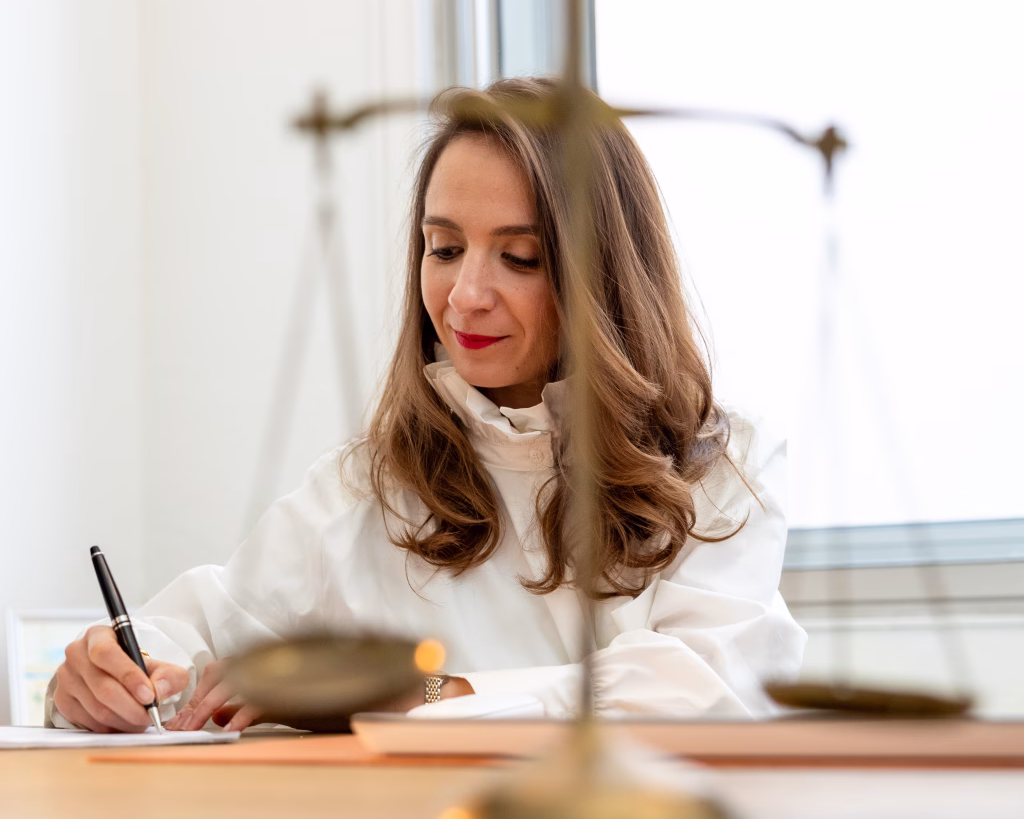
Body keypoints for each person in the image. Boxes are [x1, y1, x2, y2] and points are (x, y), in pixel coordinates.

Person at [49, 78, 805, 734]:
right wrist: (103, 675)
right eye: (443, 248)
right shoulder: (368, 486)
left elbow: (697, 688)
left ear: (602, 274)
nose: (465, 296)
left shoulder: (721, 468)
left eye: (520, 257)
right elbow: (197, 630)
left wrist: (432, 693)